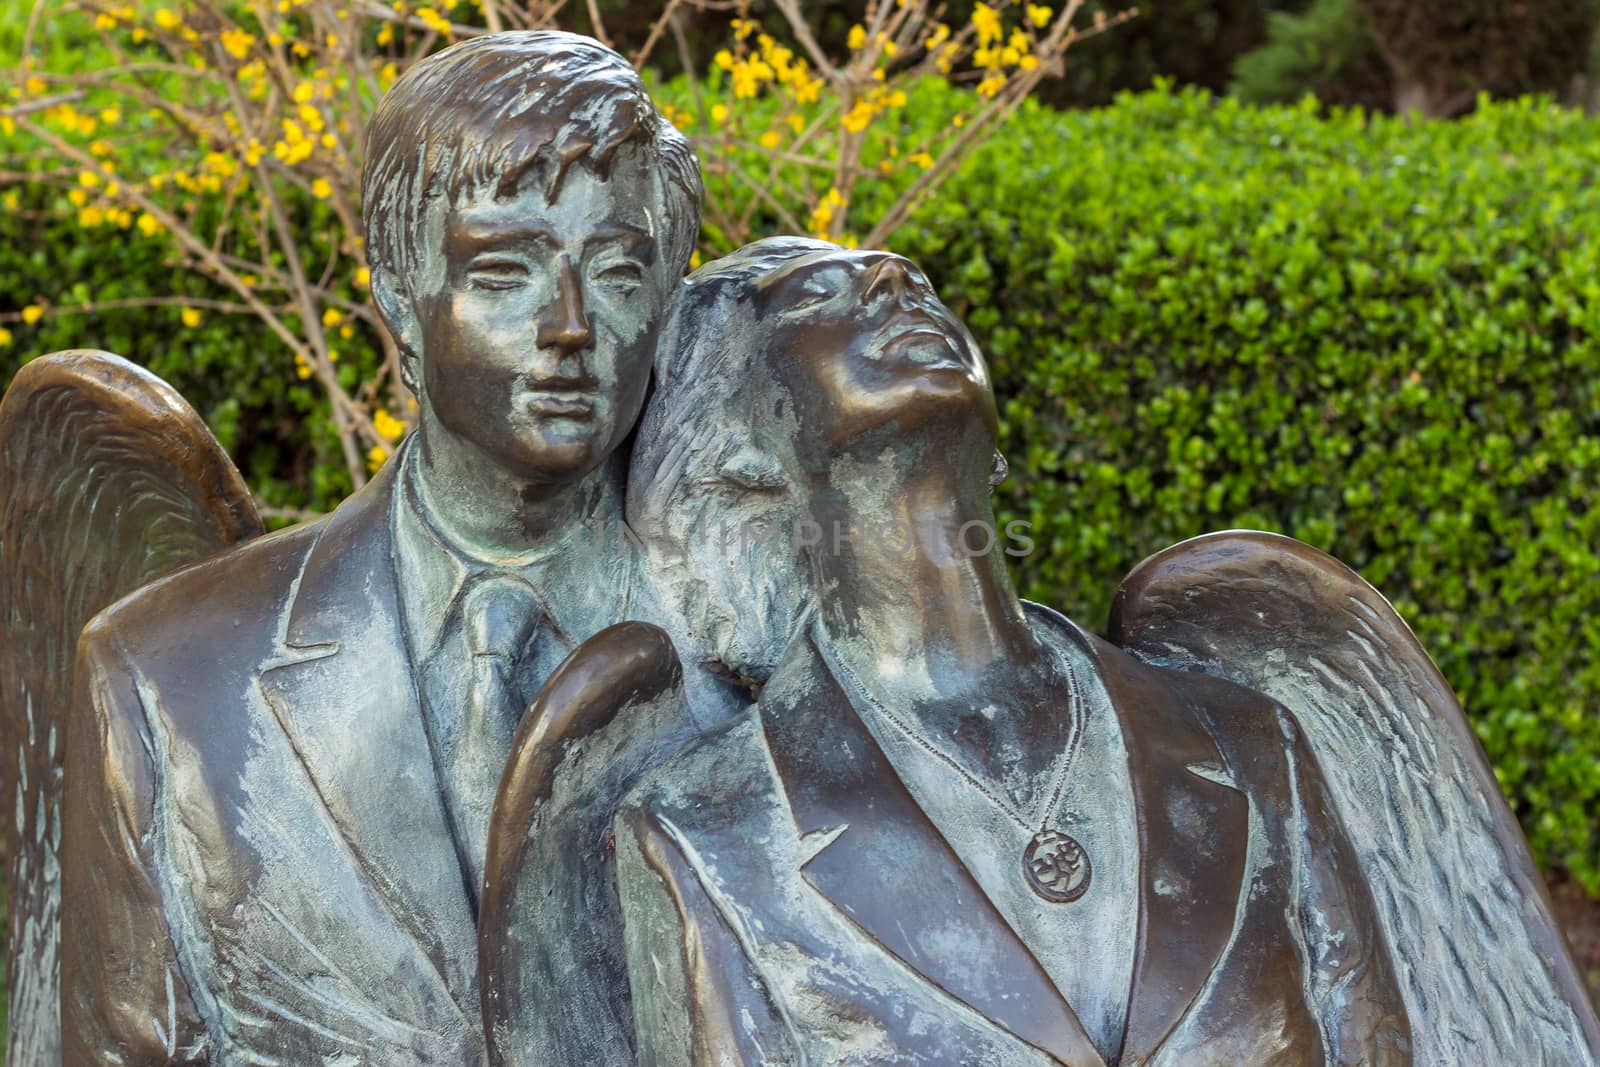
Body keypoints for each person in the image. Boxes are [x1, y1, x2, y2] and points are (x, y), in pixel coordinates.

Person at [607, 238, 1413, 1065]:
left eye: (915, 280)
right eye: (815, 299)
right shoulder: (708, 833)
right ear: (742, 443)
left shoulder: (1251, 744)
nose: (894, 279)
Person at [58, 31, 700, 1064]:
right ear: (399, 300)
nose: (572, 324)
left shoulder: (764, 650)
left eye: (618, 268)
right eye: (506, 271)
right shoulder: (167, 676)